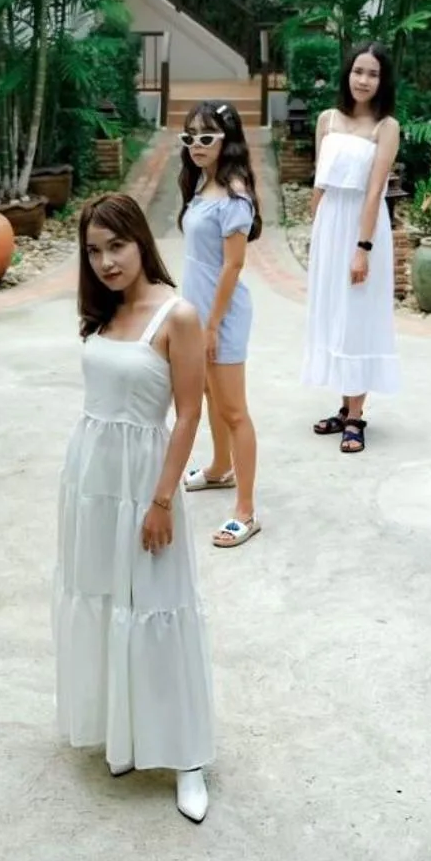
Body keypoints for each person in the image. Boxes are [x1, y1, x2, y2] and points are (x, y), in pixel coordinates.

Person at [54, 194, 216, 823]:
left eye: (115, 246)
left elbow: (190, 414)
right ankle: (123, 734)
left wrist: (162, 500)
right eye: (93, 251)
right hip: (91, 480)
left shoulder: (178, 315)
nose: (105, 262)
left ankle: (188, 757)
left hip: (146, 483)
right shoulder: (103, 314)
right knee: (103, 603)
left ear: (141, 242)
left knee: (158, 607)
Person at [302, 41, 402, 451]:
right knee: (333, 312)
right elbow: (319, 181)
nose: (364, 80)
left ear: (382, 81)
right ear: (348, 73)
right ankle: (344, 406)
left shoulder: (386, 127)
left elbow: (375, 191)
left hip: (363, 225)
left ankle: (357, 416)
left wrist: (363, 248)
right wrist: (316, 230)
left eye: (373, 74)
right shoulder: (327, 119)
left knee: (358, 314)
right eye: (358, 71)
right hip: (330, 224)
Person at [176, 99, 264, 548]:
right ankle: (218, 468)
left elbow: (233, 267)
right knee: (210, 394)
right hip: (197, 314)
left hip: (221, 317)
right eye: (189, 136)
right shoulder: (202, 186)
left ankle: (246, 511)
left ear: (227, 139)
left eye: (206, 136)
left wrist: (212, 326)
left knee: (233, 410)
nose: (196, 144)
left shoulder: (234, 194)